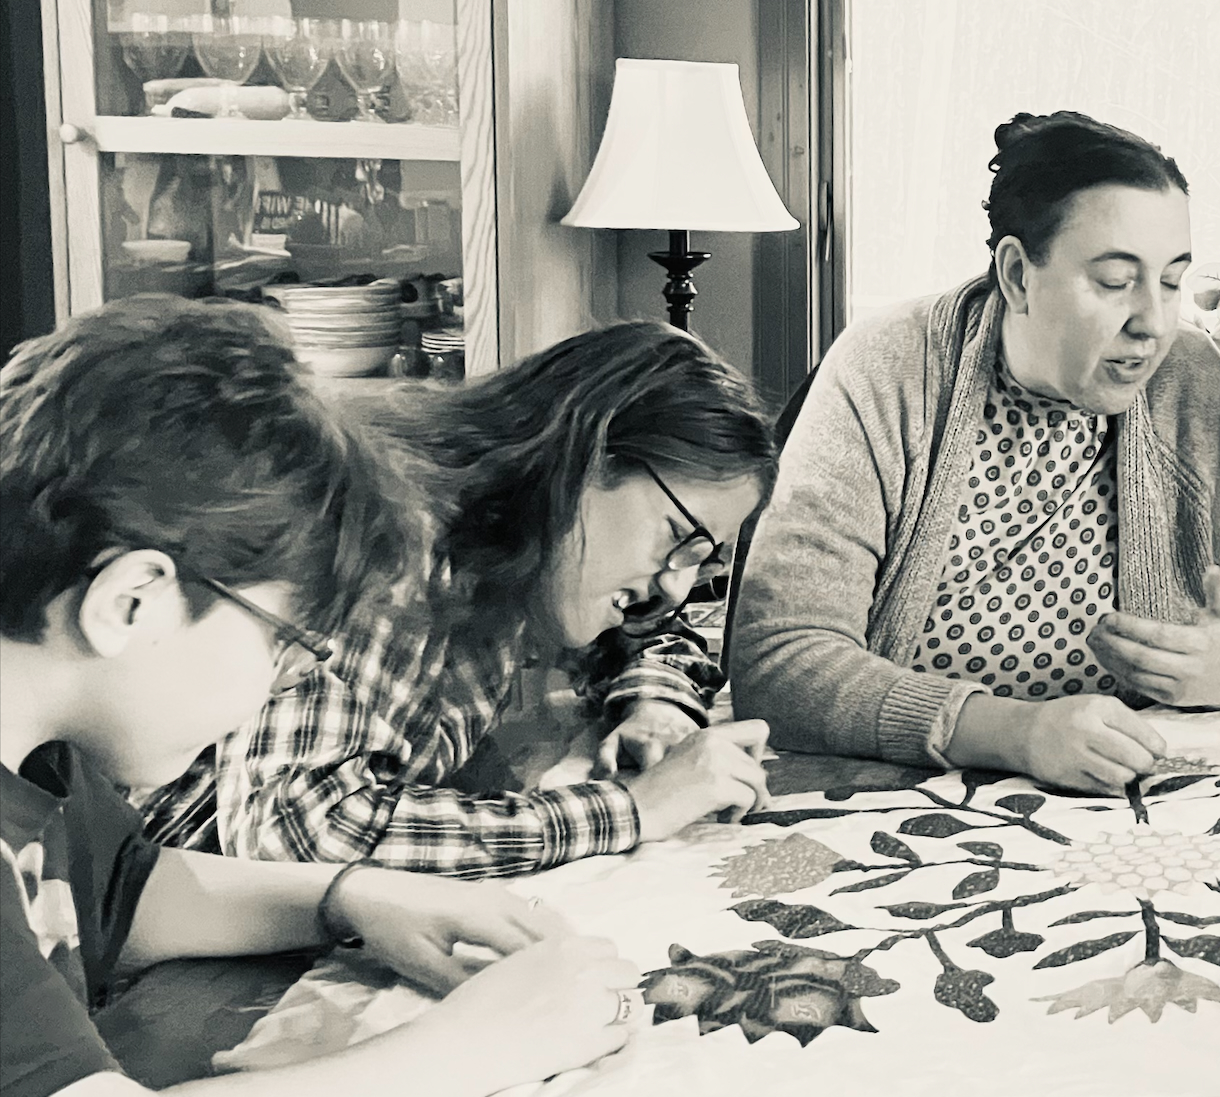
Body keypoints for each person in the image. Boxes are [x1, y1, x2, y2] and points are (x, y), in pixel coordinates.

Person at [0, 301, 642, 1097]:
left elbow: (122, 896)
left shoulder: (44, 748)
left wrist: (346, 895)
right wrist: (480, 1041)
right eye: (285, 644)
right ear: (131, 598)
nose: (281, 688)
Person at [729, 111, 1220, 792]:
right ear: (1017, 275)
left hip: (1135, 796)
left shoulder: (1190, 375)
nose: (1153, 322)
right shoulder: (886, 366)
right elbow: (780, 664)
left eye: (1171, 281)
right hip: (908, 798)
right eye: (1115, 282)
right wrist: (1017, 733)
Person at [139, 321, 777, 877]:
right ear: (587, 457)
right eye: (677, 537)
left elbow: (666, 632)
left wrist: (655, 708)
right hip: (161, 954)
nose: (673, 584)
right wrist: (634, 809)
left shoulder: (519, 551)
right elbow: (295, 828)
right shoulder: (401, 540)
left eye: (700, 558)